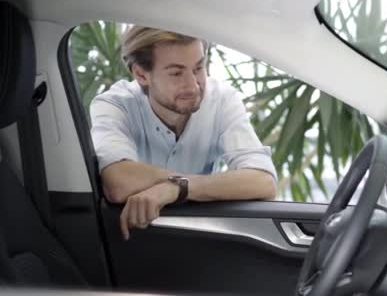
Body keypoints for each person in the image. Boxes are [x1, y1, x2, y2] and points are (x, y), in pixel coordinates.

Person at [90, 26, 277, 240]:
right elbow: (119, 182)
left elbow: (262, 181)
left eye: (198, 68)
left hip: (198, 236)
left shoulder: (222, 100)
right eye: (176, 73)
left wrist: (176, 189)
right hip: (131, 238)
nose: (193, 85)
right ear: (141, 74)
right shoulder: (114, 104)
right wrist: (183, 185)